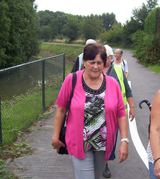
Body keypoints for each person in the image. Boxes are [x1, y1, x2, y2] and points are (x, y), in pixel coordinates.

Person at [51, 43, 129, 179]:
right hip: (79, 142)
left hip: (104, 144)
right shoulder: (72, 80)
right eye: (91, 62)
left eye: (99, 62)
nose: (95, 66)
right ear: (84, 62)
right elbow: (61, 110)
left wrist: (124, 140)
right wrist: (55, 137)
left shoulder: (112, 84)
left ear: (104, 63)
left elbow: (121, 114)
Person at [102, 44, 136, 178]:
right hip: (98, 112)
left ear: (110, 58)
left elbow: (127, 89)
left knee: (111, 138)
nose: (103, 60)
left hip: (115, 112)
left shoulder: (118, 70)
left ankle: (105, 163)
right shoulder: (95, 69)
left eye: (106, 57)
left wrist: (132, 107)